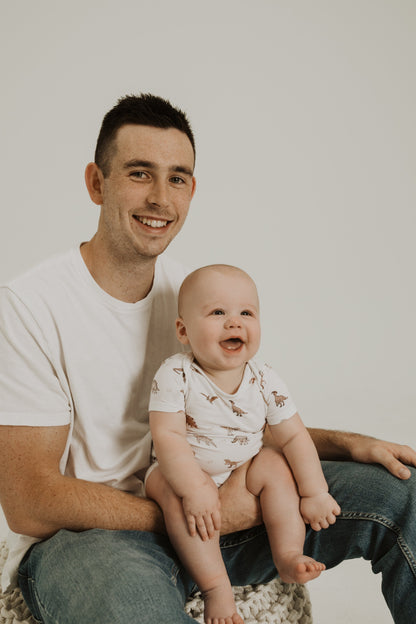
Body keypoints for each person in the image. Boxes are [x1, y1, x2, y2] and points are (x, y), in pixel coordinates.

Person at [0, 93, 415, 624]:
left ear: (192, 190)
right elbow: (29, 499)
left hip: (217, 511)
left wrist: (349, 444)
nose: (159, 198)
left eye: (177, 178)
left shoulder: (196, 299)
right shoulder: (31, 305)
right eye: (139, 173)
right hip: (93, 543)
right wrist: (193, 513)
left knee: (404, 495)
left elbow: (240, 418)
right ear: (96, 183)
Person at [146, 263, 341, 624]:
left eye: (246, 313)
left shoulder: (265, 379)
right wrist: (194, 486)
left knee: (275, 463)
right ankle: (216, 589)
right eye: (218, 312)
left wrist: (314, 491)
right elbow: (168, 436)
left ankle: (288, 555)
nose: (234, 322)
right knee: (165, 485)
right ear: (183, 330)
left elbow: (295, 436)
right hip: (181, 469)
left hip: (240, 471)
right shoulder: (176, 373)